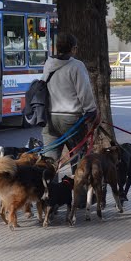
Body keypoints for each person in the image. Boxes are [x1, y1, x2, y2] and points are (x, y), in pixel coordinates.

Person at [42, 32, 97, 170]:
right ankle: (77, 188)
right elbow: (84, 92)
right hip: (71, 119)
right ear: (73, 49)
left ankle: (51, 190)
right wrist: (91, 110)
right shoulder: (76, 66)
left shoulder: (48, 64)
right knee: (78, 160)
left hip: (50, 117)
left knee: (49, 161)